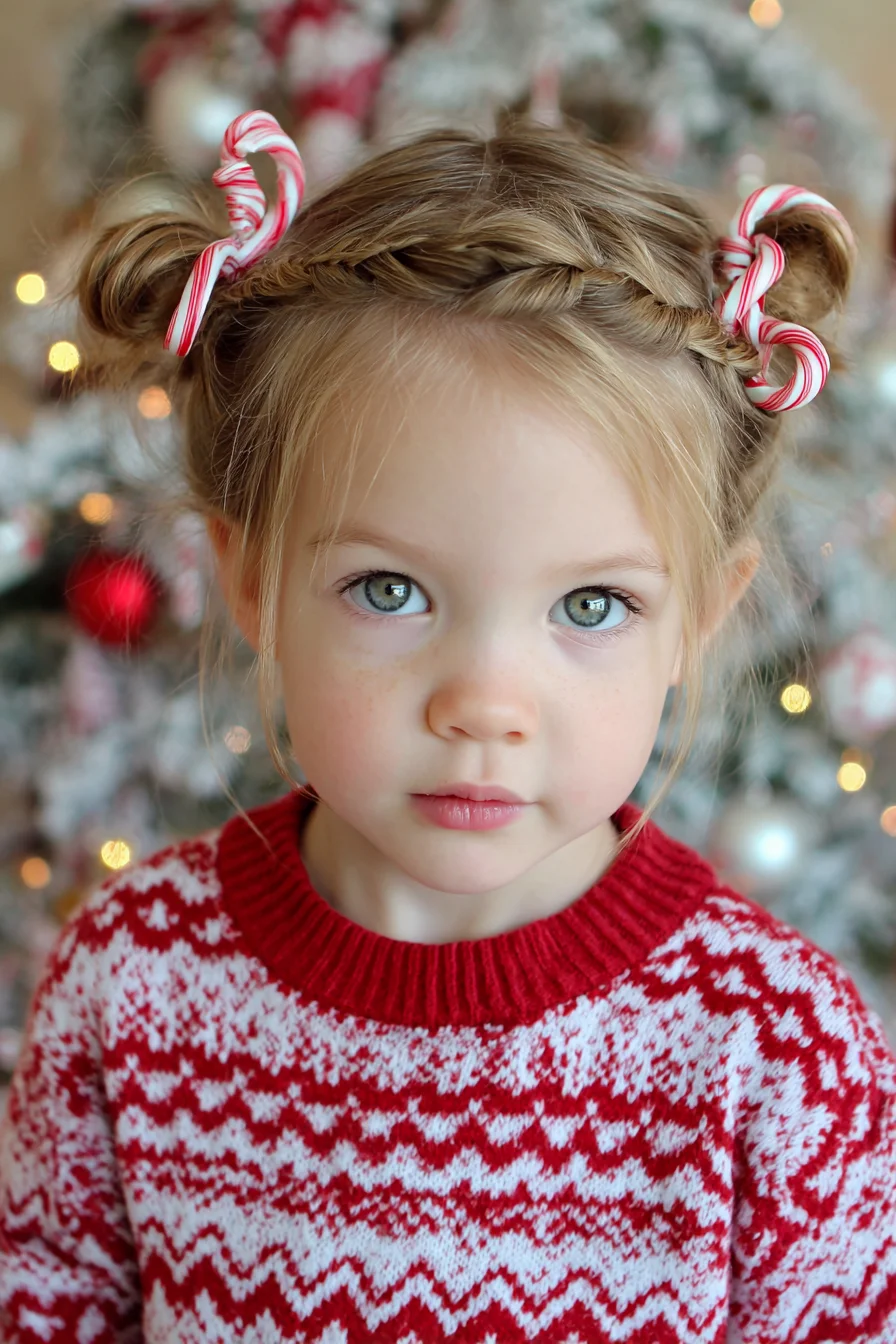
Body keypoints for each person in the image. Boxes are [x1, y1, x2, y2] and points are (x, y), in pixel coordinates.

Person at [1, 108, 894, 1343]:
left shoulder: (776, 1055)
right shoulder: (136, 980)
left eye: (591, 604)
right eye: (390, 590)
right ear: (249, 579)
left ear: (699, 614)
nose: (483, 703)